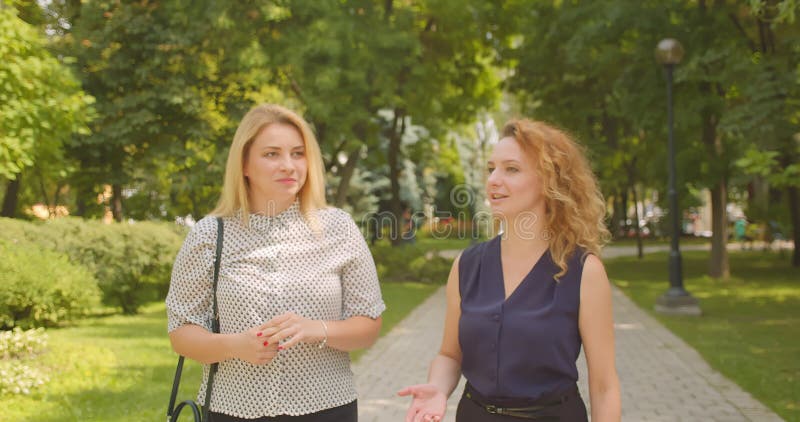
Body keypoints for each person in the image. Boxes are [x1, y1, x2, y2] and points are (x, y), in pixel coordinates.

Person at [166, 104, 386, 421]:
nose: (289, 165)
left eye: (298, 153)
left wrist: (317, 329)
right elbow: (181, 333)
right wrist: (235, 345)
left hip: (327, 409)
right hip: (234, 410)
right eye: (272, 154)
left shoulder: (338, 229)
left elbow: (368, 326)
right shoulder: (209, 235)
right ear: (243, 163)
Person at [398, 119, 621, 421]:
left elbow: (605, 386)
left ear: (549, 182)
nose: (493, 179)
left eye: (511, 169)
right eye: (492, 168)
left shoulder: (583, 271)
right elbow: (450, 355)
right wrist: (438, 389)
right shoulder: (466, 266)